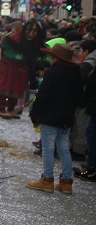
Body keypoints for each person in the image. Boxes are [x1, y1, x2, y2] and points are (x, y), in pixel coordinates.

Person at [27, 43, 84, 194]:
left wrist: (35, 114)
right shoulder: (77, 72)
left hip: (50, 116)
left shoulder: (53, 72)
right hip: (67, 117)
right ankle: (66, 181)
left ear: (55, 58)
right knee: (64, 148)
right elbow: (79, 97)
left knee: (48, 147)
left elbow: (42, 96)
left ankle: (47, 179)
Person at [0, 19, 44, 118]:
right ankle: (2, 108)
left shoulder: (36, 45)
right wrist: (2, 39)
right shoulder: (12, 39)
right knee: (5, 86)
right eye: (29, 30)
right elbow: (0, 45)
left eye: (34, 31)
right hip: (8, 64)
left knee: (17, 88)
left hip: (22, 66)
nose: (31, 34)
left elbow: (36, 56)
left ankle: (11, 109)